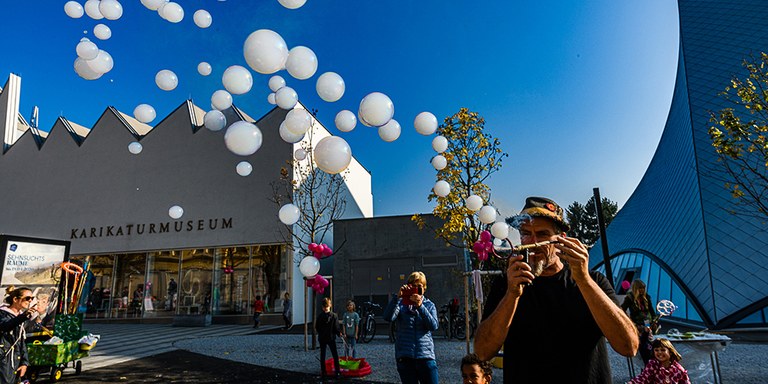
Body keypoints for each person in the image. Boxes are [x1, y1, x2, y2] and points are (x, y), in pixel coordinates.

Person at [474, 196, 638, 384]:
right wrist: (512, 295)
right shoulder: (507, 284)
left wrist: (584, 280)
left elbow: (628, 346)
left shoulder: (593, 281)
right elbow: (482, 351)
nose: (532, 242)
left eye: (542, 234)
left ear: (561, 240)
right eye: (526, 233)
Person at [383, 271, 439, 384]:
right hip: (405, 356)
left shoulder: (429, 305)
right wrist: (397, 298)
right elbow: (388, 317)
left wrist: (420, 307)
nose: (416, 289)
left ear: (425, 288)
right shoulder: (401, 304)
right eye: (413, 286)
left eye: (420, 286)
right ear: (408, 287)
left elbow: (433, 326)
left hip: (425, 356)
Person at [1, 286, 38, 384]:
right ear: (15, 299)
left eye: (32, 298)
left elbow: (21, 341)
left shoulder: (20, 316)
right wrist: (23, 316)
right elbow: (6, 325)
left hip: (15, 361)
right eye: (27, 298)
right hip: (4, 361)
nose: (30, 301)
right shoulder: (3, 314)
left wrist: (25, 363)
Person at [622, 279, 658, 365]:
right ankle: (644, 366)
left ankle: (650, 365)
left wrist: (654, 320)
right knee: (643, 345)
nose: (642, 290)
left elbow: (651, 310)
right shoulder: (629, 298)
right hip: (638, 325)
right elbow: (622, 309)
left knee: (650, 343)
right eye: (640, 288)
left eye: (643, 288)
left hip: (648, 323)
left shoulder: (646, 297)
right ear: (636, 288)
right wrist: (629, 321)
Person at [315, 297, 341, 379]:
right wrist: (339, 334)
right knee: (335, 355)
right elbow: (336, 328)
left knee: (323, 354)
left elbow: (317, 327)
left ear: (322, 307)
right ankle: (337, 372)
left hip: (322, 337)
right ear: (330, 305)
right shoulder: (334, 316)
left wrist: (321, 333)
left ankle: (323, 372)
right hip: (331, 337)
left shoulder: (320, 316)